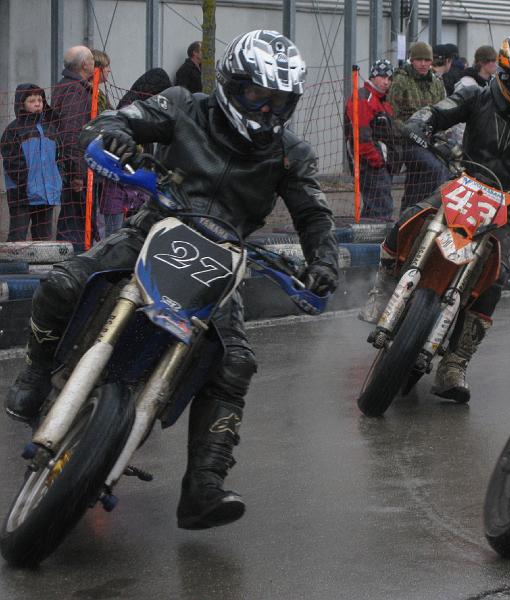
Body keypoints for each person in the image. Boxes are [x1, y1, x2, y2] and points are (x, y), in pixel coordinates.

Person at [5, 30, 340, 531]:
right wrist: (114, 134)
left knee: (236, 363)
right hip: (154, 227)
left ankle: (204, 485)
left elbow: (314, 213)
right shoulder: (184, 105)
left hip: (222, 262)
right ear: (232, 82)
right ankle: (34, 374)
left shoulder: (291, 153)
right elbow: (118, 120)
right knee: (65, 281)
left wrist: (325, 262)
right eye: (257, 94)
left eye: (278, 100)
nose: (267, 108)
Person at [360, 33, 510, 403]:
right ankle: (382, 290)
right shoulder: (475, 95)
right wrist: (422, 122)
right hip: (463, 184)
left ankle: (455, 363)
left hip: (509, 204)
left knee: (496, 278)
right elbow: (440, 109)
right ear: (503, 76)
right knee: (408, 218)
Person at [99, 68, 173, 238]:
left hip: (135, 189)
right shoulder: (130, 113)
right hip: (120, 187)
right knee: (114, 236)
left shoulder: (141, 110)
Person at [387, 41, 448, 210]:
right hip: (407, 141)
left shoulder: (436, 83)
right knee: (434, 169)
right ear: (412, 60)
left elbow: (442, 113)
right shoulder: (401, 81)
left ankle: (413, 212)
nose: (423, 64)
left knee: (419, 180)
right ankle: (424, 208)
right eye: (419, 60)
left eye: (427, 60)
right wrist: (408, 131)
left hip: (431, 139)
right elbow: (391, 114)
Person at [1, 84, 62, 241]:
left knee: (43, 239)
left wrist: (57, 181)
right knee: (17, 237)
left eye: (40, 100)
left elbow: (58, 158)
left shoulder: (50, 128)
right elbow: (11, 162)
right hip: (22, 194)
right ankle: (13, 259)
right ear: (22, 104)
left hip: (47, 194)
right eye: (32, 101)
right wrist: (25, 183)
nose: (37, 104)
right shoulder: (13, 130)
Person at [51, 45, 95, 247]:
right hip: (75, 167)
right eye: (92, 60)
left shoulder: (68, 85)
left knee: (74, 220)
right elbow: (71, 132)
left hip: (72, 163)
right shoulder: (75, 90)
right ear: (85, 64)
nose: (95, 64)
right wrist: (77, 173)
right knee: (75, 223)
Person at [344, 58, 399, 220]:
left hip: (379, 165)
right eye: (382, 77)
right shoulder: (364, 98)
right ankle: (376, 237)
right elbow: (362, 137)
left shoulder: (383, 101)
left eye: (389, 78)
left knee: (373, 210)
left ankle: (365, 235)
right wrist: (378, 162)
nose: (386, 82)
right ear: (373, 76)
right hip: (370, 165)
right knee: (382, 210)